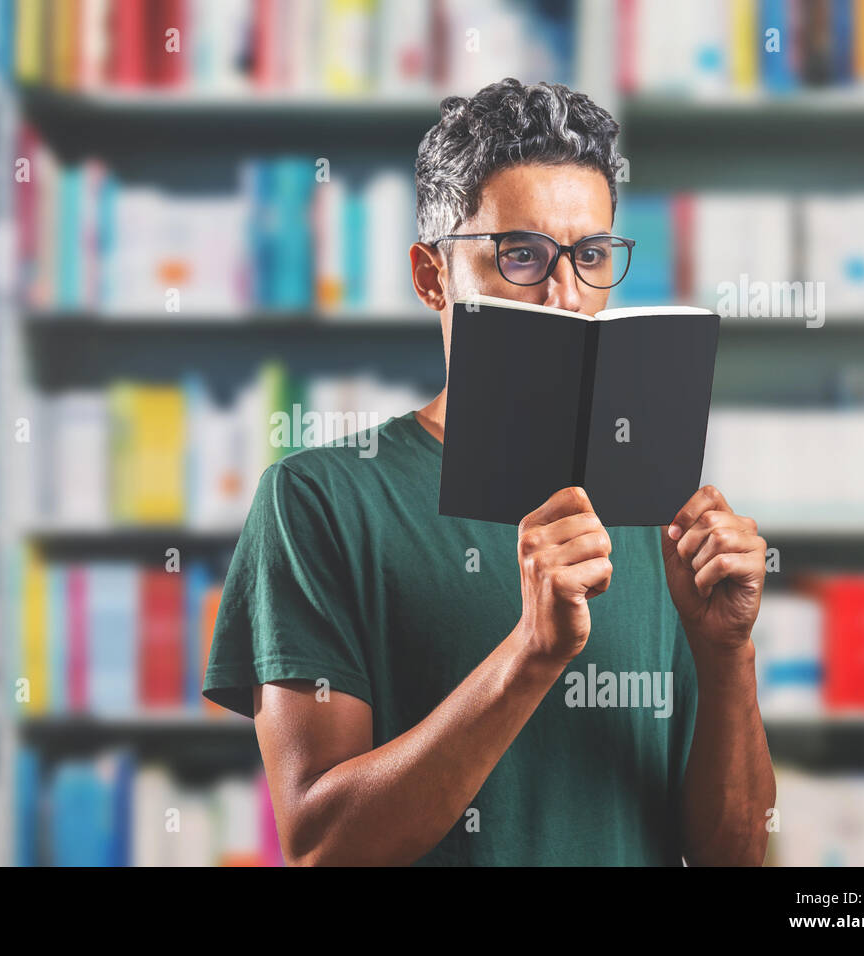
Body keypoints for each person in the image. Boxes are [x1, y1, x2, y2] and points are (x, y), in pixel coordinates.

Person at [201, 78, 776, 866]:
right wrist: (531, 656)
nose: (568, 296)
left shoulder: (657, 512)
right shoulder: (318, 501)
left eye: (592, 256)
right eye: (523, 256)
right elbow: (319, 845)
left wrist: (727, 655)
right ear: (433, 277)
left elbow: (736, 857)